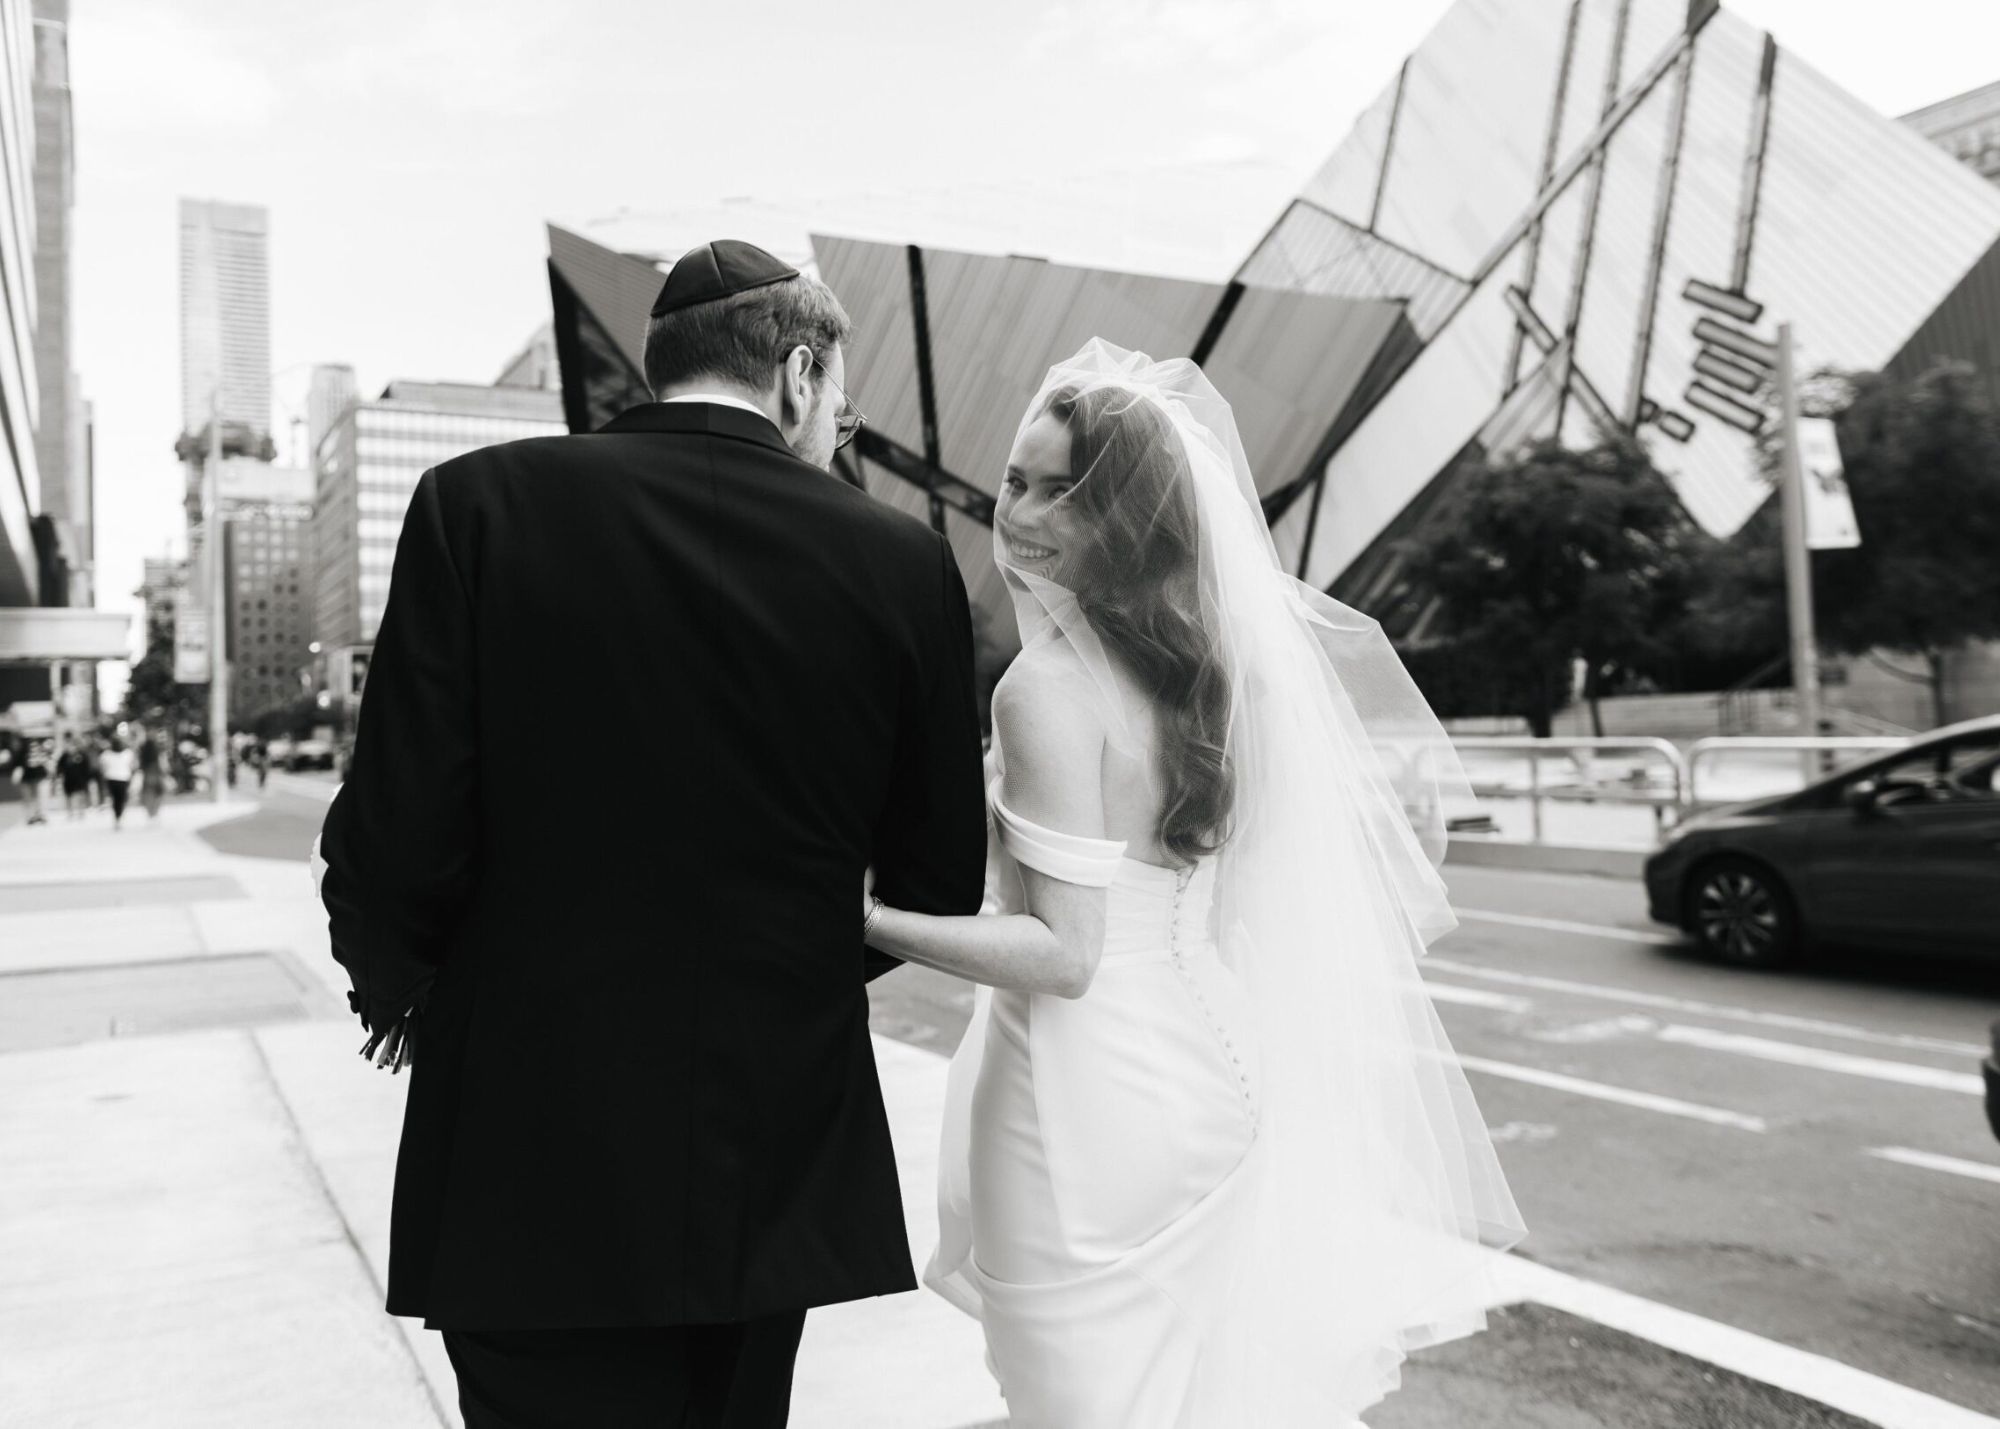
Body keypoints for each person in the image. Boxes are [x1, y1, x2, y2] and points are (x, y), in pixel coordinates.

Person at [314, 239, 986, 1429]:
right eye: (839, 400)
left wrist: (399, 988)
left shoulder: (476, 506)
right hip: (765, 1143)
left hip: (524, 1131)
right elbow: (935, 875)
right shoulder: (902, 561)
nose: (837, 425)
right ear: (797, 370)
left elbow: (391, 828)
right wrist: (776, 964)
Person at [866, 341, 1525, 1425]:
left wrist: (869, 914)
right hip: (1216, 1072)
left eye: (1058, 491)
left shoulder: (1044, 689)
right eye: (1013, 482)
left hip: (1079, 1100)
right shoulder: (1219, 673)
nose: (1016, 512)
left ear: (1125, 515)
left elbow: (1063, 955)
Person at [98, 737, 135, 830]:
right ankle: (119, 815)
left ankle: (118, 816)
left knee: (116, 799)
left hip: (112, 779)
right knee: (121, 798)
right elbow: (133, 765)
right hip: (123, 778)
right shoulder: (128, 753)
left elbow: (102, 766)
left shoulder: (106, 754)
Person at [13, 738, 51, 825]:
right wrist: (16, 776)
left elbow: (48, 764)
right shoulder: (22, 754)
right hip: (26, 779)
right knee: (28, 799)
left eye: (35, 746)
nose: (33, 748)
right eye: (31, 746)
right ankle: (30, 816)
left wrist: (50, 773)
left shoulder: (42, 754)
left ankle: (41, 815)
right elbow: (18, 767)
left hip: (40, 778)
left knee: (41, 797)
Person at [58, 743, 93, 819]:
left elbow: (87, 767)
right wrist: (60, 775)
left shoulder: (82, 755)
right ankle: (70, 812)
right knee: (69, 796)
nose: (72, 748)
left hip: (80, 779)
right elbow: (59, 767)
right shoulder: (65, 756)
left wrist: (87, 778)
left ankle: (81, 812)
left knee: (80, 795)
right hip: (68, 779)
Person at [137, 731, 166, 821]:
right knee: (158, 792)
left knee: (148, 793)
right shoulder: (157, 749)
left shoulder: (143, 750)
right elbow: (162, 762)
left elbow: (140, 763)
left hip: (147, 773)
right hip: (156, 773)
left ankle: (150, 811)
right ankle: (154, 811)